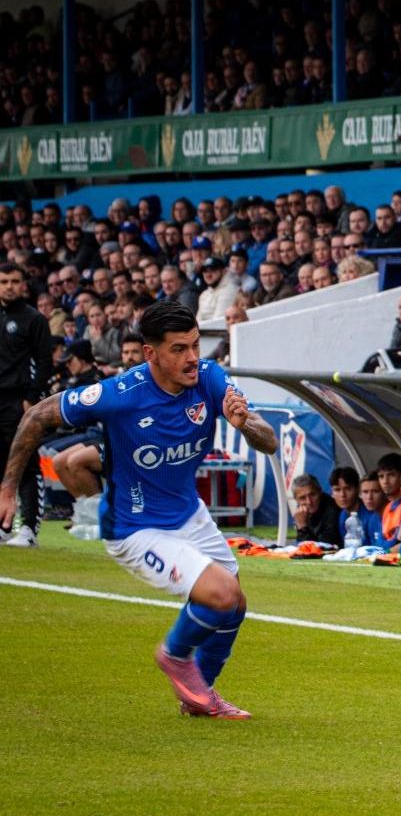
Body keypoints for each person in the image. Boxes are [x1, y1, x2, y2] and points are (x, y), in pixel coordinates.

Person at [0, 301, 278, 718]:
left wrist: (244, 423)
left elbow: (268, 441)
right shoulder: (120, 394)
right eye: (179, 349)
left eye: (195, 345)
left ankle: (200, 698)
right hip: (134, 527)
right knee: (221, 595)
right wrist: (7, 488)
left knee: (234, 605)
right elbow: (37, 417)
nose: (192, 358)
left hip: (189, 514)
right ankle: (174, 655)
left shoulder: (209, 378)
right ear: (151, 353)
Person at [0, 264, 54, 547]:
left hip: (20, 400)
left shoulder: (34, 319)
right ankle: (4, 526)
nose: (9, 286)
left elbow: (44, 361)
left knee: (26, 463)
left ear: (23, 284)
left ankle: (29, 528)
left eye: (14, 281)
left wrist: (32, 399)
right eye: (4, 281)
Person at [291, 473, 343, 545]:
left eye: (312, 495)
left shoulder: (333, 510)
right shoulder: (301, 512)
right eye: (302, 498)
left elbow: (324, 546)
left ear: (320, 491)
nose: (309, 502)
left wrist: (303, 528)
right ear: (296, 499)